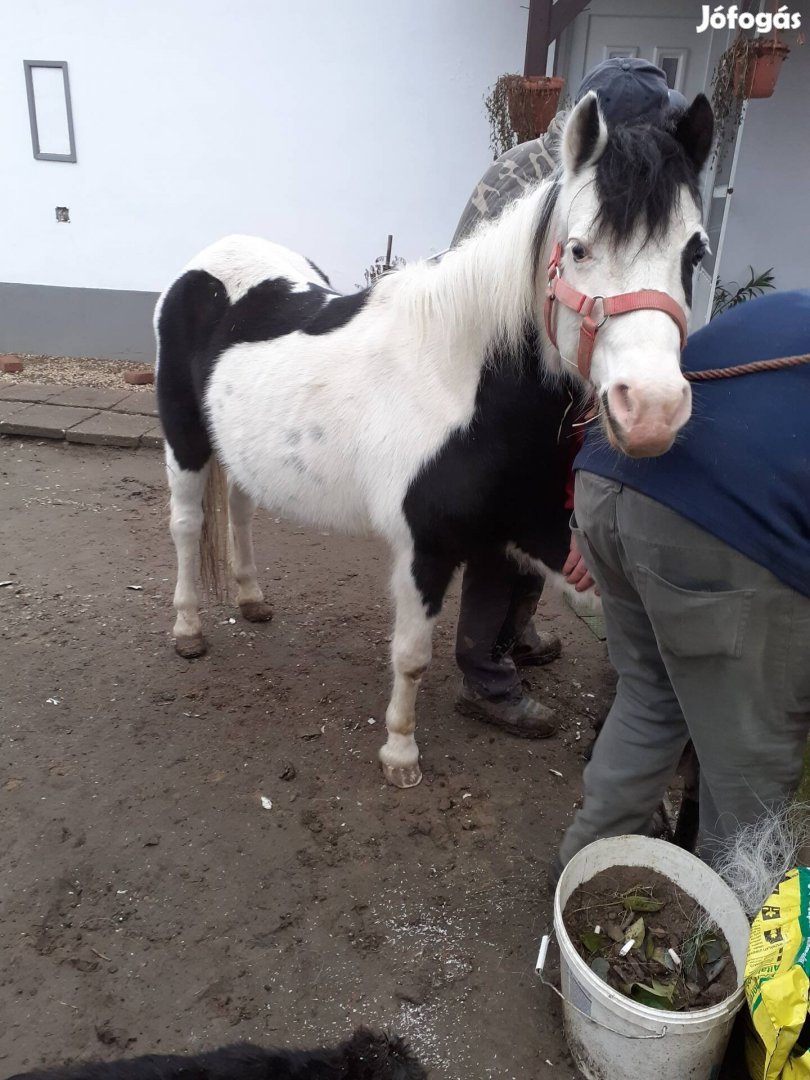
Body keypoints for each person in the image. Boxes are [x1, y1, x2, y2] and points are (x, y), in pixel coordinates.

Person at [451, 59, 687, 737]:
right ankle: (484, 674)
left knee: (546, 518)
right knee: (507, 525)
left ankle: (517, 632)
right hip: (506, 383)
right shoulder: (528, 180)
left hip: (562, 380)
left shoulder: (603, 175)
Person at [553, 290, 810, 880]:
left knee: (649, 695)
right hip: (722, 522)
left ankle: (583, 873)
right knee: (751, 755)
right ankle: (727, 940)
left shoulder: (781, 312)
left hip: (606, 478)